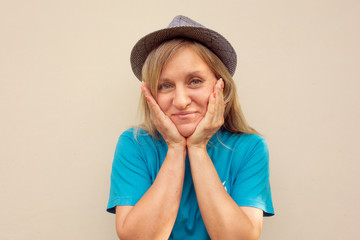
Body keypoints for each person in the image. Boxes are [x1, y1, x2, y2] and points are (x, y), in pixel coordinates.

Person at [107, 15, 274, 240]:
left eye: (194, 81)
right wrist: (175, 147)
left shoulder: (249, 148)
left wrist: (197, 148)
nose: (181, 101)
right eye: (165, 85)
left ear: (220, 87)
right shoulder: (135, 144)